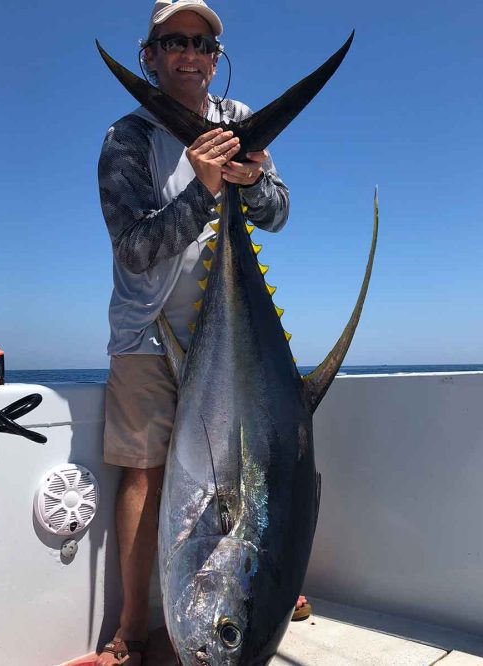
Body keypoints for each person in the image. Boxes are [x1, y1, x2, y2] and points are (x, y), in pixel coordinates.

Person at [97, 1, 308, 663]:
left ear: (216, 57)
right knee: (143, 473)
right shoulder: (125, 140)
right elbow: (135, 249)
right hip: (148, 333)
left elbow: (276, 213)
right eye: (175, 42)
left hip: (230, 335)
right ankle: (133, 629)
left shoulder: (239, 121)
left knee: (267, 469)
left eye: (203, 44)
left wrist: (248, 184)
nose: (191, 55)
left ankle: (264, 578)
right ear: (150, 55)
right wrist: (204, 186)